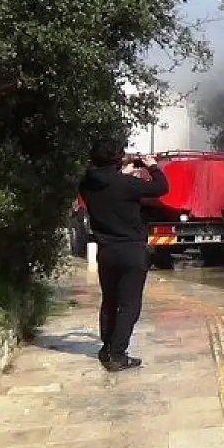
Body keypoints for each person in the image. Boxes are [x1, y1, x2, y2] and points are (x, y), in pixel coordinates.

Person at [78, 137, 169, 372]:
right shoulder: (127, 184)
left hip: (106, 252)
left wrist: (121, 171)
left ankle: (106, 348)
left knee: (109, 301)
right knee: (129, 305)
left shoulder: (87, 184)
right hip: (131, 252)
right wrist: (152, 166)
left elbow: (105, 181)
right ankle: (118, 355)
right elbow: (161, 188)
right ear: (118, 158)